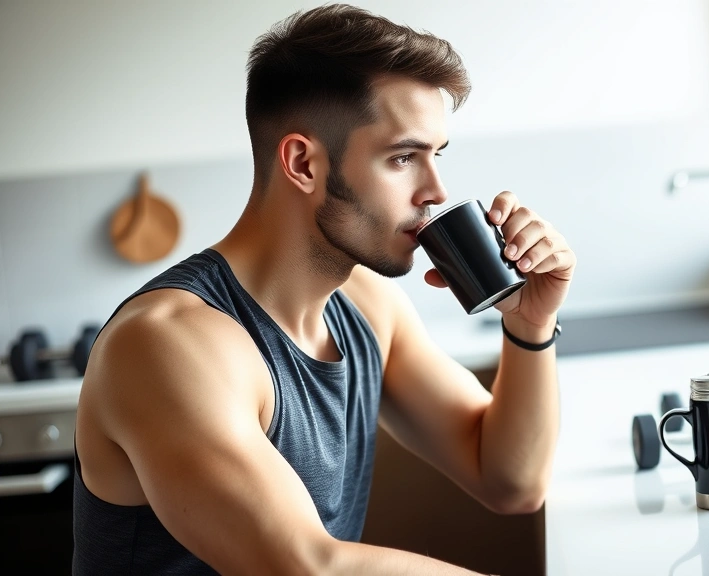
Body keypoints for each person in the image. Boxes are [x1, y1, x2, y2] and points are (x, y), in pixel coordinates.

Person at [72, 4, 575, 574]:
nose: (436, 190)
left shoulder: (367, 306)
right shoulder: (167, 344)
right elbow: (310, 566)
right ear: (303, 164)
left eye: (437, 157)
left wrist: (529, 324)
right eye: (403, 157)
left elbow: (511, 481)